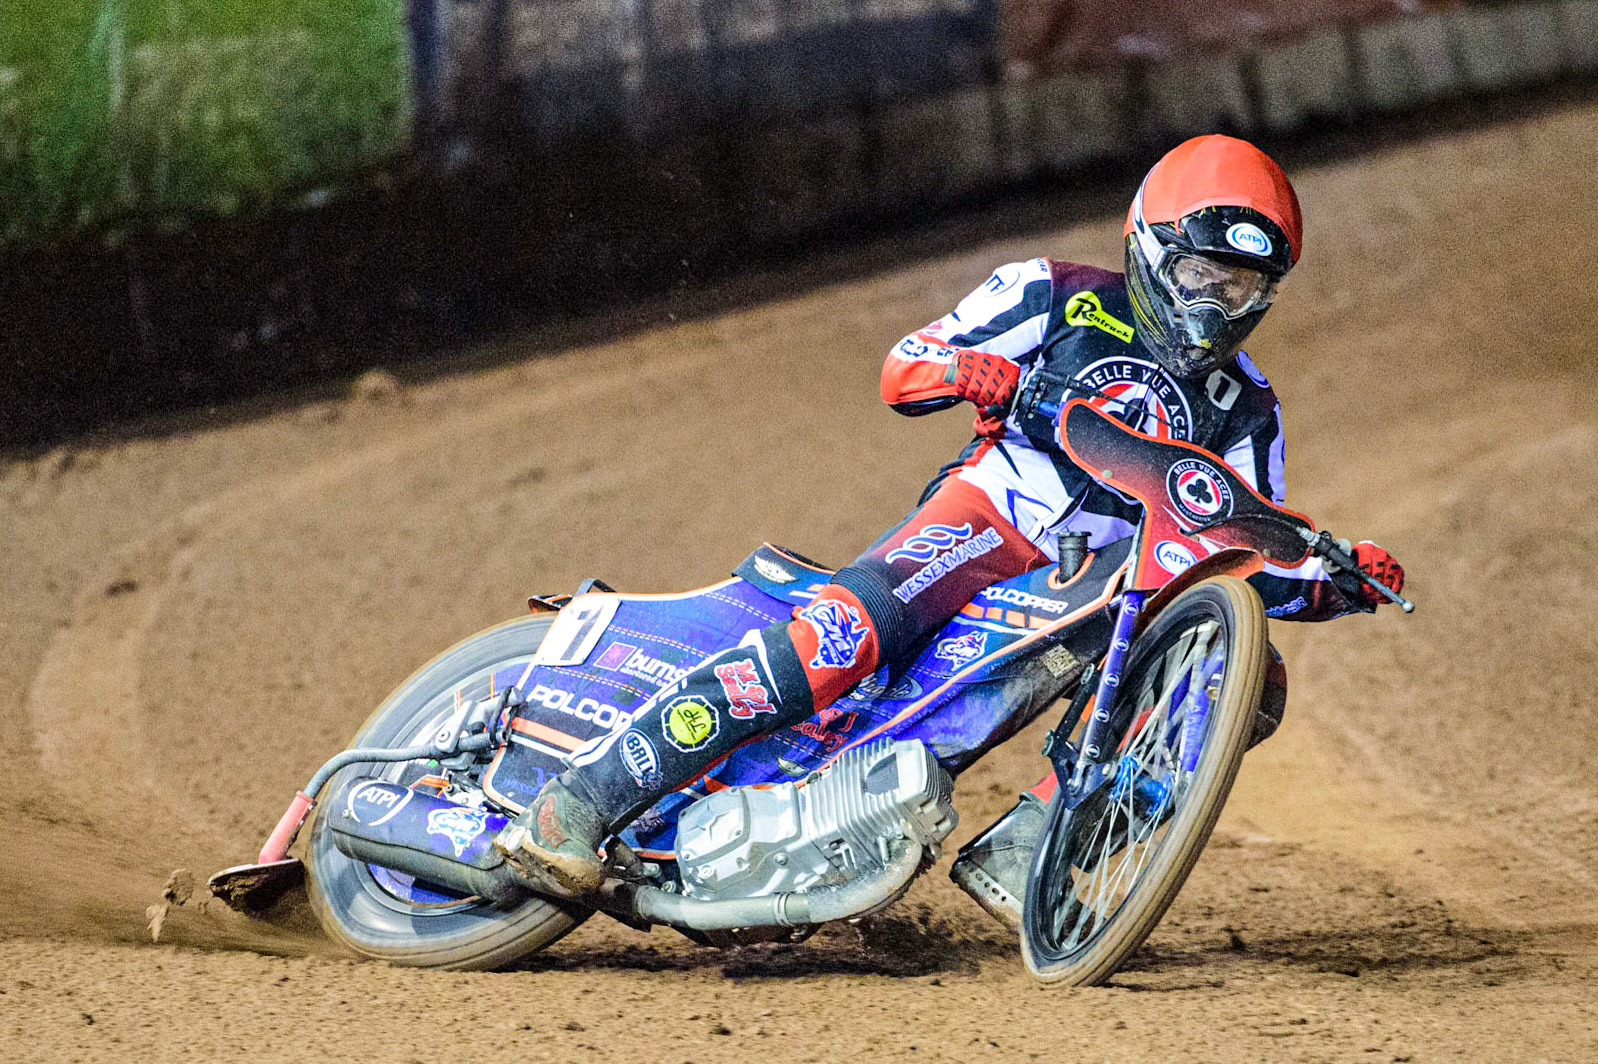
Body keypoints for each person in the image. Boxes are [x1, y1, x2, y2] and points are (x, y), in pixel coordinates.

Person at [493, 134, 1406, 905]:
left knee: (1246, 681)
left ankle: (1042, 845)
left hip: (1106, 589)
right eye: (1202, 272)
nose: (1216, 304)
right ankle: (583, 799)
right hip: (988, 522)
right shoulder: (1052, 294)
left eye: (1243, 287)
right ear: (1151, 246)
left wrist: (1337, 577)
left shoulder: (1248, 408)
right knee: (840, 638)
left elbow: (1245, 556)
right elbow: (905, 367)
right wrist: (979, 375)